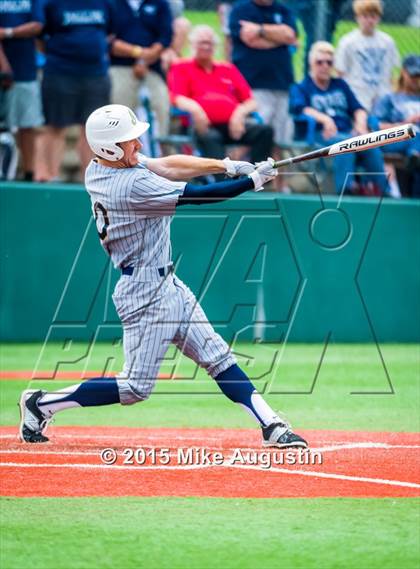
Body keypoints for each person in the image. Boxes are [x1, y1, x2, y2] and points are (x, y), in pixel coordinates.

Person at [18, 103, 307, 450]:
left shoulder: (101, 165)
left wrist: (227, 164)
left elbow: (167, 164)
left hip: (167, 283)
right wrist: (251, 182)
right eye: (129, 141)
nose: (137, 145)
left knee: (218, 357)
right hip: (144, 293)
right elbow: (199, 196)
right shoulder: (129, 186)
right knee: (135, 388)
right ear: (109, 147)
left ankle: (271, 425)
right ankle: (41, 403)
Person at [290, 41, 389, 196]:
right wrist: (325, 119)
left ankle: (384, 192)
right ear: (311, 64)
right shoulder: (302, 87)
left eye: (329, 62)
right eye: (320, 62)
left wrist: (361, 125)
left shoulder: (340, 85)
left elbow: (358, 109)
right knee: (346, 144)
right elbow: (300, 108)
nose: (324, 66)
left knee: (371, 144)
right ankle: (345, 191)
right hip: (319, 135)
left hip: (346, 133)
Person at [168, 25, 274, 165]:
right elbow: (177, 98)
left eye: (210, 43)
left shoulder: (227, 68)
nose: (206, 46)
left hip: (232, 125)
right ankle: (223, 183)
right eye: (202, 42)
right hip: (201, 125)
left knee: (265, 131)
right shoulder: (181, 67)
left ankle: (258, 177)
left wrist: (239, 114)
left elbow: (251, 102)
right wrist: (196, 110)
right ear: (192, 45)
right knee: (211, 137)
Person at [34, 0, 115, 182]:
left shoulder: (105, 3)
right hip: (60, 73)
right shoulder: (51, 3)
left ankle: (91, 180)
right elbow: (39, 37)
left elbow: (110, 33)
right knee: (55, 126)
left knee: (92, 129)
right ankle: (50, 177)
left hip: (96, 74)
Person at [229, 0, 298, 190]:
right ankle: (230, 180)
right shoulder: (241, 10)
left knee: (280, 141)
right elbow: (248, 38)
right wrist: (277, 36)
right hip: (252, 86)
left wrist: (259, 30)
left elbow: (290, 35)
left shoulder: (283, 10)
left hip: (281, 85)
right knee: (255, 137)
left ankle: (280, 188)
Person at [110, 0, 173, 139]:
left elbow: (165, 37)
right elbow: (108, 40)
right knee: (119, 111)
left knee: (160, 105)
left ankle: (158, 153)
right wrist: (137, 53)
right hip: (119, 66)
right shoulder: (112, 3)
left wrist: (144, 60)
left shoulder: (160, 4)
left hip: (152, 68)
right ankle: (120, 155)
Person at [0, 0, 44, 181]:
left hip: (25, 70)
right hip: (6, 71)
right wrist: (3, 66)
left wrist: (8, 32)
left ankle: (28, 174)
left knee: (27, 125)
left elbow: (38, 26)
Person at [335, 0, 400, 112]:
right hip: (358, 96)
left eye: (373, 16)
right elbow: (341, 72)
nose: (369, 21)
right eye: (365, 16)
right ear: (357, 17)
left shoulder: (387, 42)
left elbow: (391, 72)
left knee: (400, 127)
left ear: (378, 18)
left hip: (382, 96)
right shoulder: (348, 42)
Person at [373, 55, 420, 197]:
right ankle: (415, 155)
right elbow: (376, 125)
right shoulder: (390, 98)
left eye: (418, 75)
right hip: (398, 139)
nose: (415, 79)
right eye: (412, 74)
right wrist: (404, 124)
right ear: (403, 72)